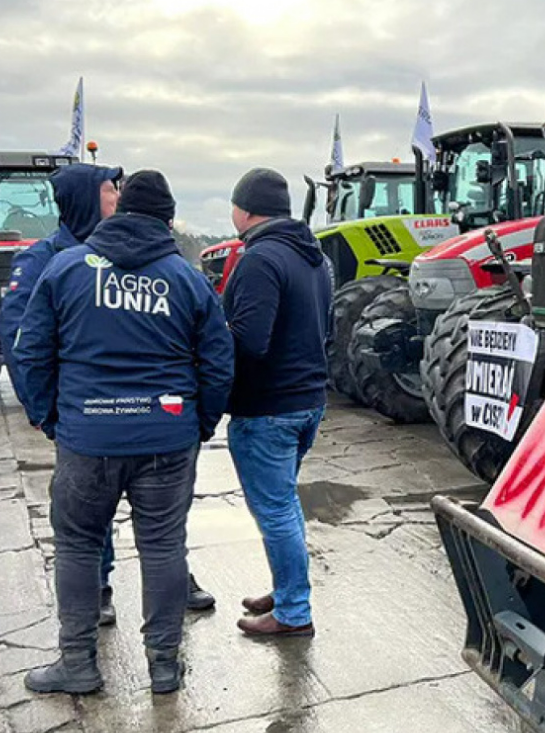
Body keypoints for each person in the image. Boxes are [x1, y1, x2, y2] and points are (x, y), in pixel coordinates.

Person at [16, 171, 234, 694]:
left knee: (77, 545)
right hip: (166, 434)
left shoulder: (66, 269)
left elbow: (29, 353)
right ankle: (163, 665)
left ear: (120, 212)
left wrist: (51, 418)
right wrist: (199, 423)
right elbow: (219, 362)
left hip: (87, 436)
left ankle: (78, 662)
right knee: (162, 545)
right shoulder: (185, 278)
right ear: (167, 218)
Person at [224, 168, 332, 638]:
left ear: (244, 209)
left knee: (276, 509)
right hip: (308, 400)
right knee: (284, 504)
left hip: (267, 408)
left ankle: (292, 611)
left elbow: (249, 341)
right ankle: (287, 587)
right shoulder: (314, 258)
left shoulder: (259, 259)